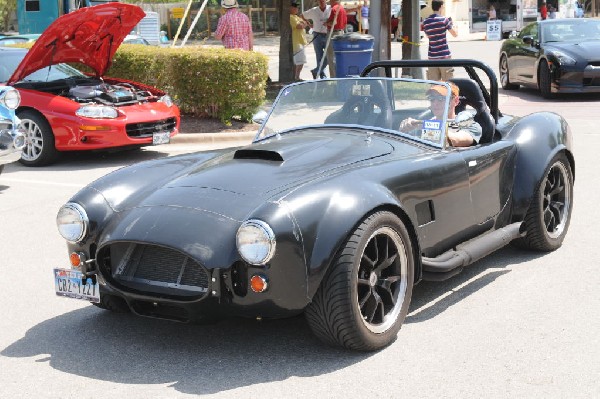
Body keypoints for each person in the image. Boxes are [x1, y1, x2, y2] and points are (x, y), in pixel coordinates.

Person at [399, 83, 481, 147]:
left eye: (441, 98)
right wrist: (404, 130)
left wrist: (426, 127)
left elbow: (456, 139)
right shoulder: (423, 123)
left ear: (455, 101)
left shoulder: (468, 123)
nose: (435, 103)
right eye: (432, 99)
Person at [421, 0, 458, 81]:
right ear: (441, 7)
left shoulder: (426, 22)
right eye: (443, 6)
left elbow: (428, 36)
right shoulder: (444, 20)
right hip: (444, 56)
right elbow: (455, 34)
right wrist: (453, 24)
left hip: (432, 57)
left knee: (434, 87)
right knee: (449, 85)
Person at [302, 0, 331, 79]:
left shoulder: (330, 8)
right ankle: (322, 75)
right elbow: (302, 15)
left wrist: (356, 8)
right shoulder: (314, 10)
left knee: (329, 55)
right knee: (319, 56)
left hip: (327, 35)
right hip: (317, 35)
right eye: (320, 1)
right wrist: (309, 24)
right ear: (318, 2)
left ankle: (316, 70)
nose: (321, 2)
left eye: (323, 1)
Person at [325, 0, 347, 78]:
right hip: (341, 32)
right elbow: (345, 22)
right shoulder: (342, 8)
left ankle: (333, 77)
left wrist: (326, 23)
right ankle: (340, 75)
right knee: (339, 56)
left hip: (333, 33)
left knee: (331, 56)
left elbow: (334, 22)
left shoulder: (334, 9)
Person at [290, 2, 308, 81]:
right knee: (300, 61)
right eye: (295, 7)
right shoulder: (291, 17)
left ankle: (296, 76)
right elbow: (299, 26)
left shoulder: (296, 17)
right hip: (296, 42)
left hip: (301, 41)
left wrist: (303, 23)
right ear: (291, 8)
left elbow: (305, 23)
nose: (297, 9)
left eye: (297, 7)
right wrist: (303, 23)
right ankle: (296, 77)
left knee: (300, 60)